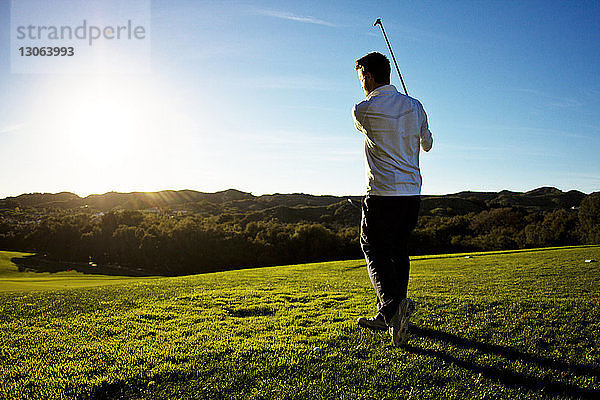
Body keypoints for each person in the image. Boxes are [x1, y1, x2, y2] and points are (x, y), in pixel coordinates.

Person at [352, 52, 433, 346]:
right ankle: (392, 310)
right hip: (411, 194)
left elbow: (368, 128)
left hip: (382, 195)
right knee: (398, 252)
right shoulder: (416, 106)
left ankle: (390, 309)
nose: (361, 83)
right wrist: (415, 118)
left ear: (370, 77)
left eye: (361, 77)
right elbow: (428, 144)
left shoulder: (363, 110)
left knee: (372, 246)